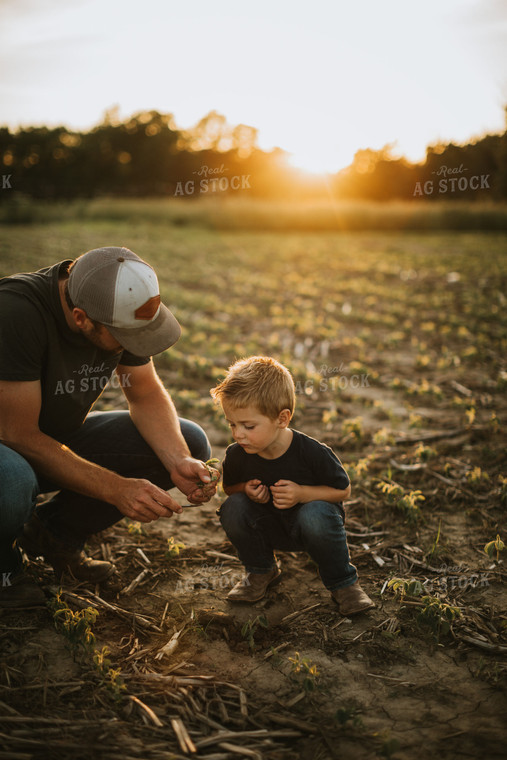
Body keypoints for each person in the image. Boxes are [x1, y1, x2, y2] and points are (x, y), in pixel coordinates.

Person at [0, 246, 217, 608]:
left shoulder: (116, 302)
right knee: (12, 483)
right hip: (10, 442)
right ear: (81, 318)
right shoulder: (15, 313)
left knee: (190, 442)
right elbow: (16, 434)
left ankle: (51, 534)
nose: (135, 346)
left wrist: (177, 459)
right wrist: (115, 488)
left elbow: (145, 394)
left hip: (47, 439)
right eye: (126, 339)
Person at [210, 356, 374, 616]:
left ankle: (344, 584)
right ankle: (261, 571)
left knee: (316, 513)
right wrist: (246, 490)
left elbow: (343, 490)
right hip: (268, 527)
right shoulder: (238, 454)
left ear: (282, 418)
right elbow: (229, 488)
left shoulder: (312, 452)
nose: (238, 434)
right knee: (233, 507)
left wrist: (302, 494)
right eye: (232, 424)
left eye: (248, 426)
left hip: (311, 529)